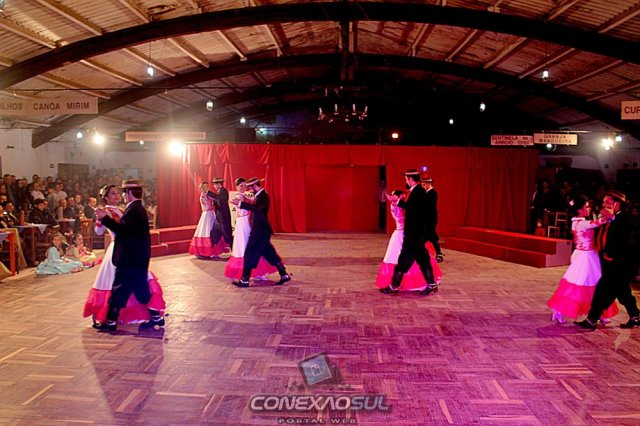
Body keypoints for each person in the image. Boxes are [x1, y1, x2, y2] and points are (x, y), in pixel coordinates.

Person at [83, 185, 165, 328]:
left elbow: (124, 230)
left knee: (125, 285)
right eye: (113, 193)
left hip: (126, 251)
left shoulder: (126, 210)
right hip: (120, 249)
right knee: (127, 285)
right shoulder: (112, 210)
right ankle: (150, 316)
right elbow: (99, 231)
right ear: (106, 197)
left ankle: (112, 319)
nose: (117, 196)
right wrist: (101, 220)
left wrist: (105, 219)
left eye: (118, 193)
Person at [576, 190, 640, 330]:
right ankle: (635, 316)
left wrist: (612, 218)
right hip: (608, 261)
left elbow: (626, 239)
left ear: (617, 204)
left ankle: (592, 319)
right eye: (603, 202)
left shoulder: (627, 218)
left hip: (621, 263)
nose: (604, 205)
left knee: (603, 290)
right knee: (623, 291)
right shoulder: (609, 218)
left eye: (607, 202)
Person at [546, 199, 617, 323]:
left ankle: (599, 312)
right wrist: (609, 214)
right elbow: (599, 222)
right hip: (586, 257)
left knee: (595, 284)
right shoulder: (583, 223)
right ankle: (559, 310)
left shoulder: (576, 222)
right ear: (580, 210)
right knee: (580, 285)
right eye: (586, 207)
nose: (589, 209)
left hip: (585, 255)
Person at [380, 169, 437, 296]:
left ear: (410, 179)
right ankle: (431, 284)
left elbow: (413, 209)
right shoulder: (417, 191)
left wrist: (398, 201)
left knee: (404, 261)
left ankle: (394, 286)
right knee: (423, 260)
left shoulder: (418, 192)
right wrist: (398, 201)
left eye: (406, 179)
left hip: (413, 235)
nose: (406, 181)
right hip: (416, 235)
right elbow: (413, 208)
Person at [230, 177, 290, 287]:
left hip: (260, 231)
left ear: (255, 186)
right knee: (270, 254)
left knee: (249, 254)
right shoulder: (259, 196)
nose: (249, 190)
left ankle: (244, 280)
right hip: (261, 231)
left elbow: (257, 209)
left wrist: (241, 204)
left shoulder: (263, 196)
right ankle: (284, 274)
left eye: (250, 188)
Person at [224, 177, 277, 279]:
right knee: (244, 247)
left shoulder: (246, 195)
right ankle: (246, 273)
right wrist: (237, 202)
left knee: (253, 246)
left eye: (245, 186)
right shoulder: (238, 195)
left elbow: (255, 204)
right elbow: (235, 201)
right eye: (241, 186)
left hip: (248, 222)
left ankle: (255, 273)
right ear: (236, 187)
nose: (243, 187)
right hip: (242, 224)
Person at [188, 182, 224, 258]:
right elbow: (206, 202)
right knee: (206, 232)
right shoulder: (203, 196)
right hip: (206, 215)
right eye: (203, 187)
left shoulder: (209, 194)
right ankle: (203, 252)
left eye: (206, 186)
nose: (205, 188)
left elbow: (216, 199)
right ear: (201, 188)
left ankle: (213, 251)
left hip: (212, 214)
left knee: (213, 232)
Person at [421, 176, 444, 262]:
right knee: (427, 236)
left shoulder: (433, 193)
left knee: (431, 236)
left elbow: (427, 207)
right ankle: (435, 253)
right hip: (427, 219)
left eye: (424, 185)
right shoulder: (427, 193)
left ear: (428, 184)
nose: (422, 187)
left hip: (430, 219)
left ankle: (438, 253)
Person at [207, 177, 233, 253]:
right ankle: (210, 251)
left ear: (219, 184)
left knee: (228, 235)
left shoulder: (223, 191)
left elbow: (218, 197)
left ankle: (234, 252)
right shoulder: (219, 192)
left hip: (224, 218)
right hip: (219, 218)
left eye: (215, 184)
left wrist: (207, 192)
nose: (214, 186)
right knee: (214, 234)